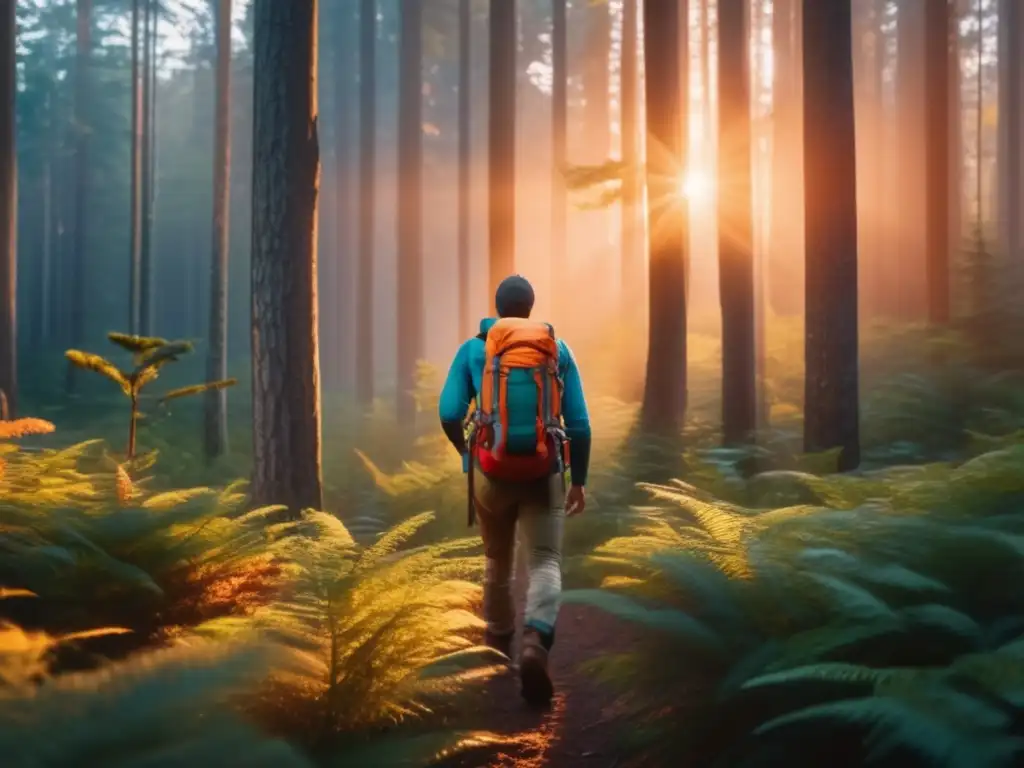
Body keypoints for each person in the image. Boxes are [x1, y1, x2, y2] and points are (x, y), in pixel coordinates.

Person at [438, 274, 591, 706]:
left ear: (497, 307)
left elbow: (450, 410)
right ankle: (536, 641)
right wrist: (578, 479)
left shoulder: (474, 350)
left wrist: (465, 452)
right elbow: (580, 424)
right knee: (545, 560)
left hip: (491, 473)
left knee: (497, 559)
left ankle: (497, 646)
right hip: (545, 474)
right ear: (531, 307)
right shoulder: (556, 350)